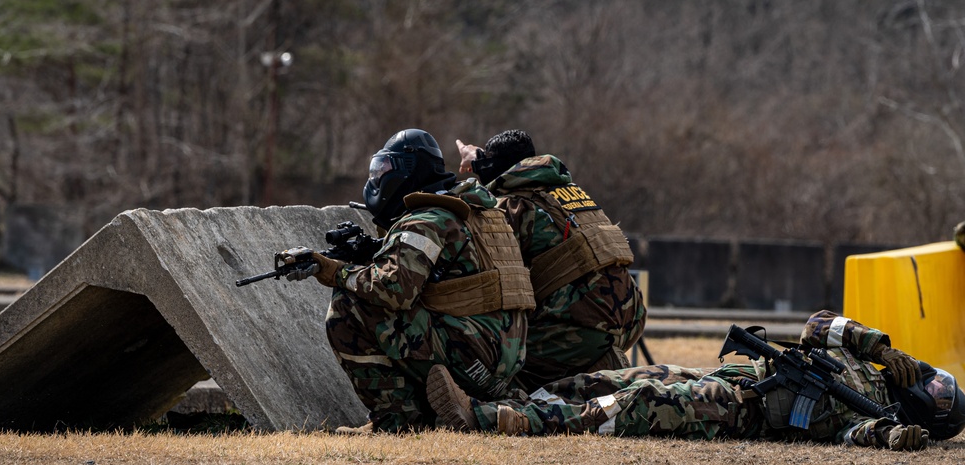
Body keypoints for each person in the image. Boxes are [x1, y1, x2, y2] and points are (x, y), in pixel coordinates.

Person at [281, 128, 535, 433]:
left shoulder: (427, 218)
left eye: (383, 170)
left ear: (407, 171)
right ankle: (428, 411)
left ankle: (396, 420)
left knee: (348, 303)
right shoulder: (482, 210)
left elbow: (392, 289)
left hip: (471, 363)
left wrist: (334, 271)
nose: (377, 178)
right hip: (505, 365)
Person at [426, 310, 965, 452]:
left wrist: (891, 436)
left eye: (939, 393)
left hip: (739, 408)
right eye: (938, 381)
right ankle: (503, 398)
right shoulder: (875, 369)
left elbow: (851, 436)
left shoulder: (878, 415)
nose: (931, 382)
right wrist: (877, 345)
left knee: (634, 403)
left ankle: (488, 418)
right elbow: (819, 324)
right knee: (604, 379)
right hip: (731, 375)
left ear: (930, 412)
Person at [456, 129, 646, 390]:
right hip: (628, 319)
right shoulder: (569, 194)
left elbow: (481, 274)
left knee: (496, 367)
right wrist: (480, 160)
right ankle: (595, 366)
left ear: (493, 168)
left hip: (580, 326)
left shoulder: (514, 207)